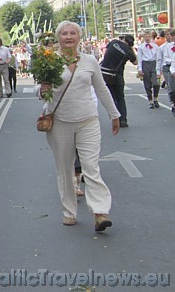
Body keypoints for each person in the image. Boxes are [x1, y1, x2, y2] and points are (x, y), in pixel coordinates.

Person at [40, 21, 121, 232]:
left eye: (72, 33)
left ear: (79, 37)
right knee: (65, 169)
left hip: (88, 120)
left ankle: (100, 212)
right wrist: (42, 89)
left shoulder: (90, 60)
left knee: (91, 167)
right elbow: (39, 92)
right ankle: (69, 211)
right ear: (58, 38)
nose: (68, 37)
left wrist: (114, 114)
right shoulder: (48, 61)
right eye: (64, 33)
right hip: (60, 122)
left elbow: (102, 89)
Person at [100, 34, 137, 128]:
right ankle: (123, 120)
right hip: (117, 75)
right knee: (120, 97)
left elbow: (106, 54)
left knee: (111, 97)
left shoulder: (114, 42)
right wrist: (130, 48)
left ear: (123, 39)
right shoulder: (128, 51)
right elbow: (135, 62)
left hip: (105, 73)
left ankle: (115, 118)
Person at [137, 33, 160, 109]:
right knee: (147, 83)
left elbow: (158, 58)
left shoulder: (155, 46)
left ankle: (155, 98)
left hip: (153, 63)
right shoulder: (141, 47)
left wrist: (158, 69)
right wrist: (139, 69)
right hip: (145, 64)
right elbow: (140, 58)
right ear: (143, 38)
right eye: (146, 37)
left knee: (156, 83)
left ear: (151, 37)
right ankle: (150, 100)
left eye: (148, 36)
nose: (147, 38)